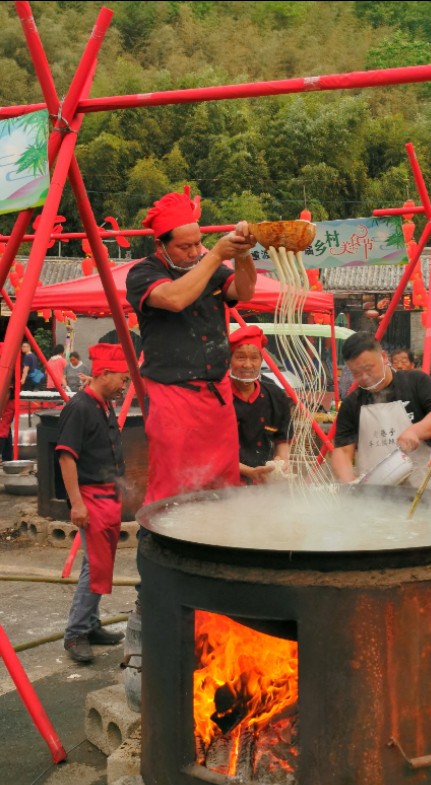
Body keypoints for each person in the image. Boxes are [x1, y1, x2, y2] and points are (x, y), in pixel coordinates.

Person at [125, 186, 257, 503]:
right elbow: (174, 298)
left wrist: (242, 254)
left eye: (199, 243)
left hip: (217, 392)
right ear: (161, 245)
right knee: (173, 481)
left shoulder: (209, 268)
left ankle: (221, 540)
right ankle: (161, 543)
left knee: (222, 480)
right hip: (172, 393)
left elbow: (245, 290)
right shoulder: (144, 272)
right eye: (185, 247)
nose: (195, 251)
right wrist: (213, 256)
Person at [56, 344, 131, 664]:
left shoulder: (103, 405)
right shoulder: (80, 407)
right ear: (103, 374)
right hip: (90, 498)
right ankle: (75, 634)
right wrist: (77, 504)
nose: (125, 385)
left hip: (108, 496)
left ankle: (91, 624)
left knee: (98, 565)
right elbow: (66, 457)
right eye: (122, 379)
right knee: (96, 567)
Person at [330, 332, 431, 490]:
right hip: (374, 496)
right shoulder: (351, 403)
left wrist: (416, 431)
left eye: (369, 369)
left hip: (423, 492)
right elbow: (343, 450)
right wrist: (348, 481)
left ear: (383, 357)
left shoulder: (415, 381)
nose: (365, 377)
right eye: (357, 373)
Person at [229, 325, 292, 484]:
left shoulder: (276, 396)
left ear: (261, 361)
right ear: (229, 360)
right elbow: (211, 451)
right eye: (241, 357)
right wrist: (249, 472)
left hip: (263, 485)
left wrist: (280, 463)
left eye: (254, 358)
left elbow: (282, 441)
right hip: (224, 485)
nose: (248, 365)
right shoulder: (216, 397)